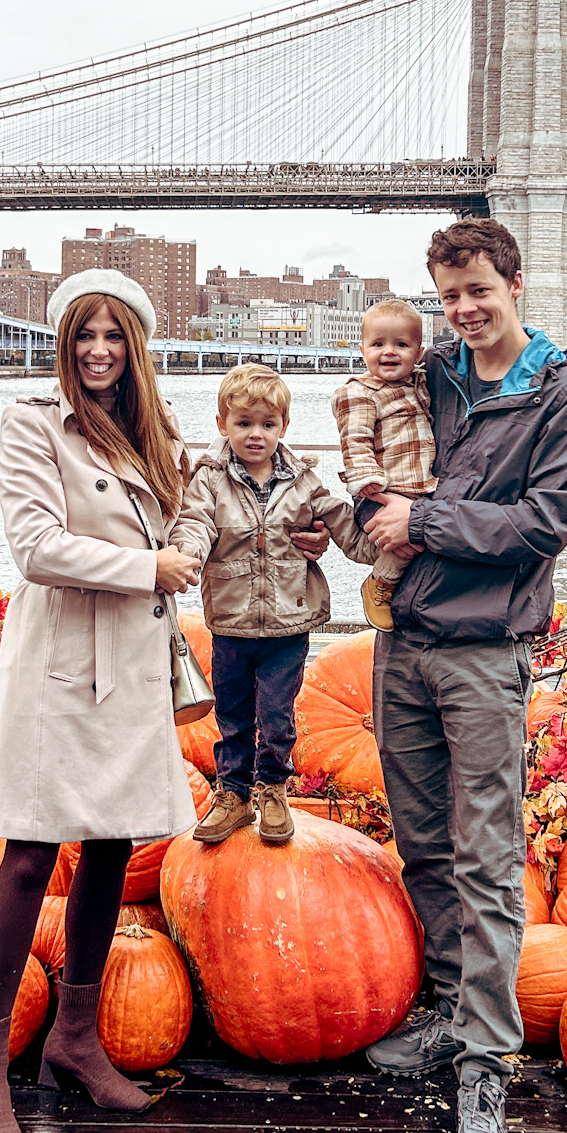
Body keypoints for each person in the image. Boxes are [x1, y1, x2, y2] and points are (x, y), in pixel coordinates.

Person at [359, 218, 567, 1133]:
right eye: (449, 297)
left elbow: (541, 524)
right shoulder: (435, 374)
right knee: (423, 843)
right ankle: (453, 1016)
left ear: (516, 282)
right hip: (400, 641)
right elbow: (380, 462)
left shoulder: (561, 393)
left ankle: (485, 1070)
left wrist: (421, 519)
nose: (464, 312)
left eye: (479, 294)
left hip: (486, 650)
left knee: (488, 860)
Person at [0, 269, 202, 1133]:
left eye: (113, 336)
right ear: (64, 343)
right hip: (63, 659)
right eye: (83, 335)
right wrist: (148, 568)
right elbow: (34, 546)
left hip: (132, 659)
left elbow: (195, 531)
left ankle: (75, 1036)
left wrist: (286, 534)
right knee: (29, 851)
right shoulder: (35, 422)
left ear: (134, 346)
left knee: (110, 846)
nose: (98, 350)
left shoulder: (157, 433)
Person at [172, 363, 378, 847]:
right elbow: (195, 523)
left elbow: (343, 523)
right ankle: (234, 793)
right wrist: (186, 556)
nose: (256, 435)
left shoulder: (303, 480)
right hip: (230, 622)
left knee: (278, 714)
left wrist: (378, 552)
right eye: (243, 424)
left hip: (289, 622)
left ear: (283, 426)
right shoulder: (209, 482)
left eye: (267, 424)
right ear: (222, 424)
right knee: (234, 715)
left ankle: (272, 788)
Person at [331, 301, 437, 632]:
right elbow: (355, 441)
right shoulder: (361, 393)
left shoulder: (418, 383)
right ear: (362, 349)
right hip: (381, 491)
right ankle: (380, 583)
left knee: (435, 530)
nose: (388, 352)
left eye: (401, 345)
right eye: (378, 344)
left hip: (420, 488)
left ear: (418, 352)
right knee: (411, 542)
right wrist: (367, 481)